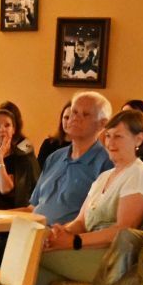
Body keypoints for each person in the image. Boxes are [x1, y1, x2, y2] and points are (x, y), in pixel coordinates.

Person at [26, 107, 143, 285]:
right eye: (107, 136)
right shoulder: (105, 176)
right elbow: (81, 221)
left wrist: (73, 241)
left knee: (30, 252)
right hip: (87, 249)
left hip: (113, 259)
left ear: (139, 139)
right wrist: (58, 233)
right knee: (35, 267)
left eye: (118, 136)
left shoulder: (140, 175)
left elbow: (123, 232)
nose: (110, 142)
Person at [30, 93, 114, 226]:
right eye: (74, 112)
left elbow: (98, 220)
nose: (75, 118)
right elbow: (33, 206)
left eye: (85, 114)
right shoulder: (55, 157)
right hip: (31, 230)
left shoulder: (107, 162)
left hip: (63, 239)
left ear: (102, 124)